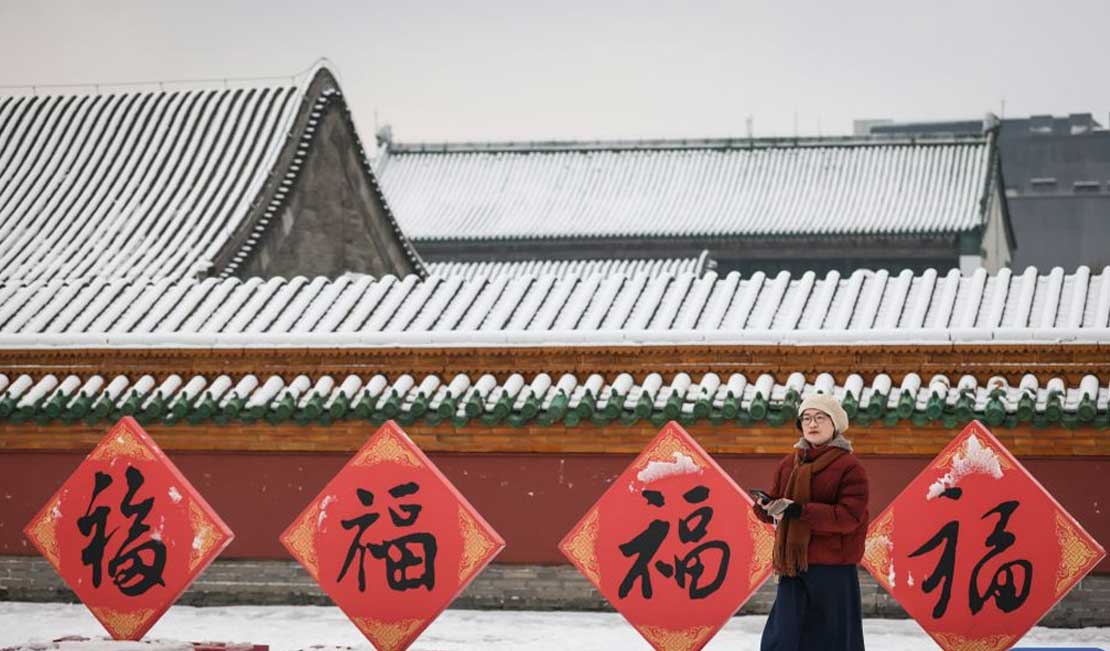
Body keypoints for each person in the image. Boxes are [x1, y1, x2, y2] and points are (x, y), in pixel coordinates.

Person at [753, 394, 869, 651]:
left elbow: (849, 517)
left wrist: (799, 511)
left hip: (833, 569)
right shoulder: (789, 464)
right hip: (793, 566)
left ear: (835, 424)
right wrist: (765, 507)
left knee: (832, 642)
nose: (812, 424)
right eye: (806, 418)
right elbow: (778, 505)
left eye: (820, 418)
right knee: (783, 639)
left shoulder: (850, 467)